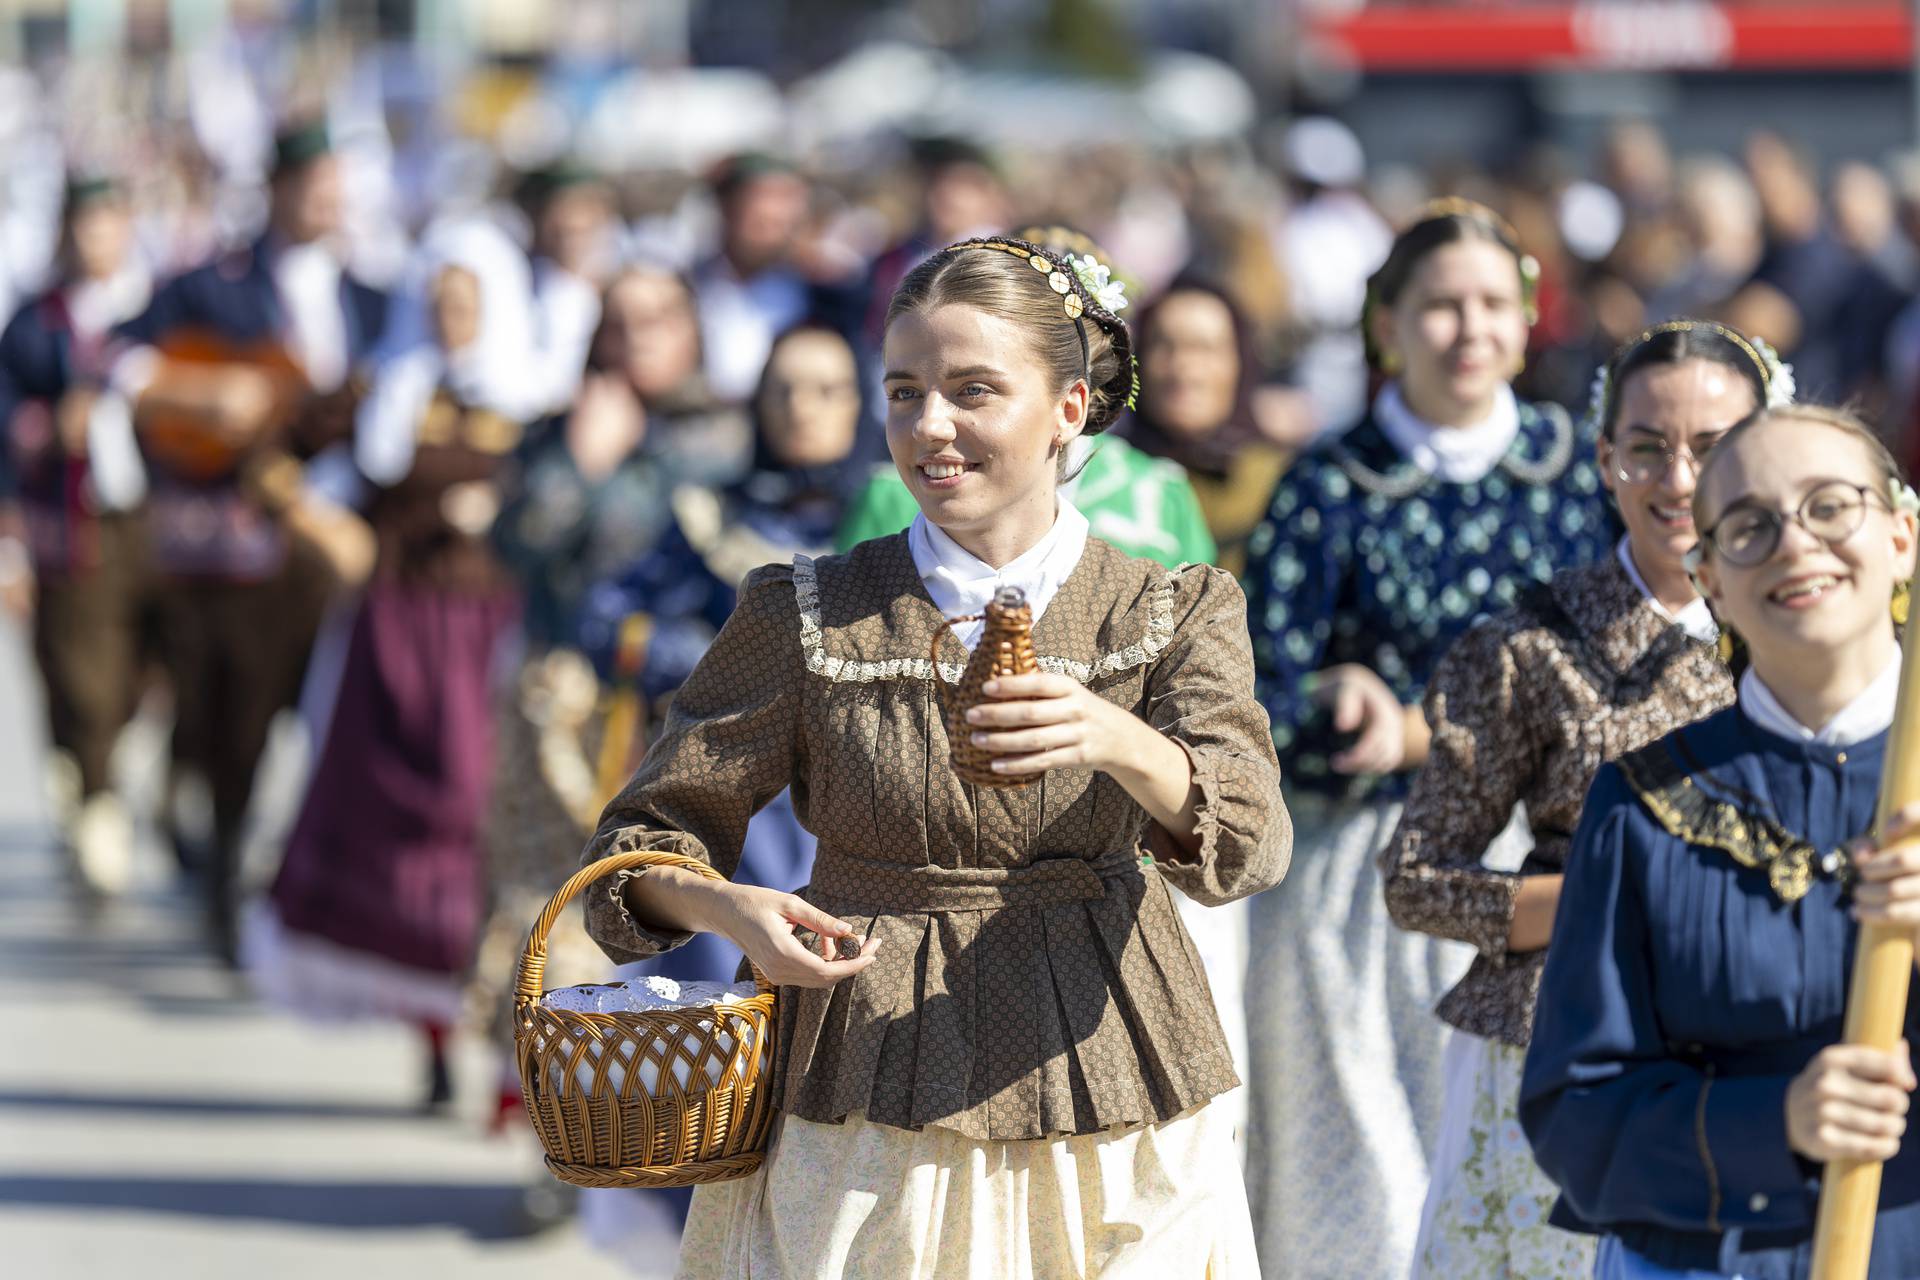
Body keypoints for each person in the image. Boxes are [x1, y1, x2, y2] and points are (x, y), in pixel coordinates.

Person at [576, 235, 1290, 1276]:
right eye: (905, 391)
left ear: (1069, 410)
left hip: (1115, 1074)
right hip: (861, 1089)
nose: (930, 426)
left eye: (973, 390)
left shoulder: (1171, 607)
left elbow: (1249, 844)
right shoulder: (806, 610)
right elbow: (635, 851)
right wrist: (733, 910)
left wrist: (1122, 740)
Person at [1239, 198, 1616, 1279]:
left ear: (1528, 316)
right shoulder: (1328, 480)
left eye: (1493, 303)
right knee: (1367, 1172)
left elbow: (1622, 651)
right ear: (1386, 321)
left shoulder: (1577, 471)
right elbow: (1251, 686)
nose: (1469, 329)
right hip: (1367, 876)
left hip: (1539, 866)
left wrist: (1434, 727)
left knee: (1528, 1175)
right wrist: (1342, 704)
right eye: (1440, 304)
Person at [1380, 319, 1785, 1276]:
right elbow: (1415, 880)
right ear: (1606, 462)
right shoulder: (1531, 643)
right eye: (1647, 450)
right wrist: (1597, 900)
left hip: (1769, 1046)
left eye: (1715, 449)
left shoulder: (1819, 638)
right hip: (1565, 1050)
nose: (1680, 482)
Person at [1521, 403, 1920, 1277]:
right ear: (1709, 582)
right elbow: (1575, 1117)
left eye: (1830, 506)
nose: (1795, 542)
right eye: (1749, 526)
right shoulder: (1642, 802)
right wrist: (1775, 1123)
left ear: (1900, 536)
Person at [245, 220, 534, 1108]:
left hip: (496, 631)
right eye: (439, 302)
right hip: (396, 631)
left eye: (467, 302)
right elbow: (269, 461)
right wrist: (324, 529)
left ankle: (501, 1043)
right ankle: (433, 1032)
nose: (451, 319)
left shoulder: (533, 394)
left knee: (483, 822)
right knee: (397, 827)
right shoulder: (386, 386)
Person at [93, 120, 390, 960]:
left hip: (341, 540)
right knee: (236, 716)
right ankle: (224, 876)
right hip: (243, 547)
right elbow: (118, 358)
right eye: (316, 183)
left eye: (338, 185)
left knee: (336, 718)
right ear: (281, 187)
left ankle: (319, 891)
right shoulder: (210, 283)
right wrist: (198, 393)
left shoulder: (373, 294)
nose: (329, 201)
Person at [0, 174, 154, 894]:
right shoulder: (37, 322)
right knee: (80, 669)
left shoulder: (155, 307)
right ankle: (96, 801)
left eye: (111, 220)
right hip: (74, 519)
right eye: (87, 223)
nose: (99, 237)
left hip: (149, 517)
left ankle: (92, 773)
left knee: (138, 671)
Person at [495, 263, 750, 654]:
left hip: (694, 675)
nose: (635, 335)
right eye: (617, 323)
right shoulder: (560, 431)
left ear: (692, 328)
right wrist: (579, 463)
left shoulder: (735, 435)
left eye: (656, 318)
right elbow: (514, 549)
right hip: (567, 680)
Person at [1123, 277, 1289, 575]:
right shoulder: (1111, 474)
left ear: (1242, 363)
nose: (1184, 369)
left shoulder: (1282, 486)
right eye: (1164, 346)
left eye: (1204, 349)